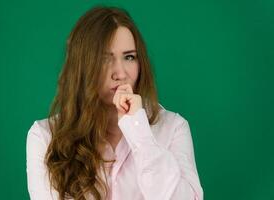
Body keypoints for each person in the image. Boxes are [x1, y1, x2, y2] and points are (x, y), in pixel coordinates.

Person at [26, 5, 204, 200]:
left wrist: (139, 132)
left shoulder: (173, 128)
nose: (120, 73)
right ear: (82, 67)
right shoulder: (45, 137)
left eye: (129, 57)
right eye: (104, 59)